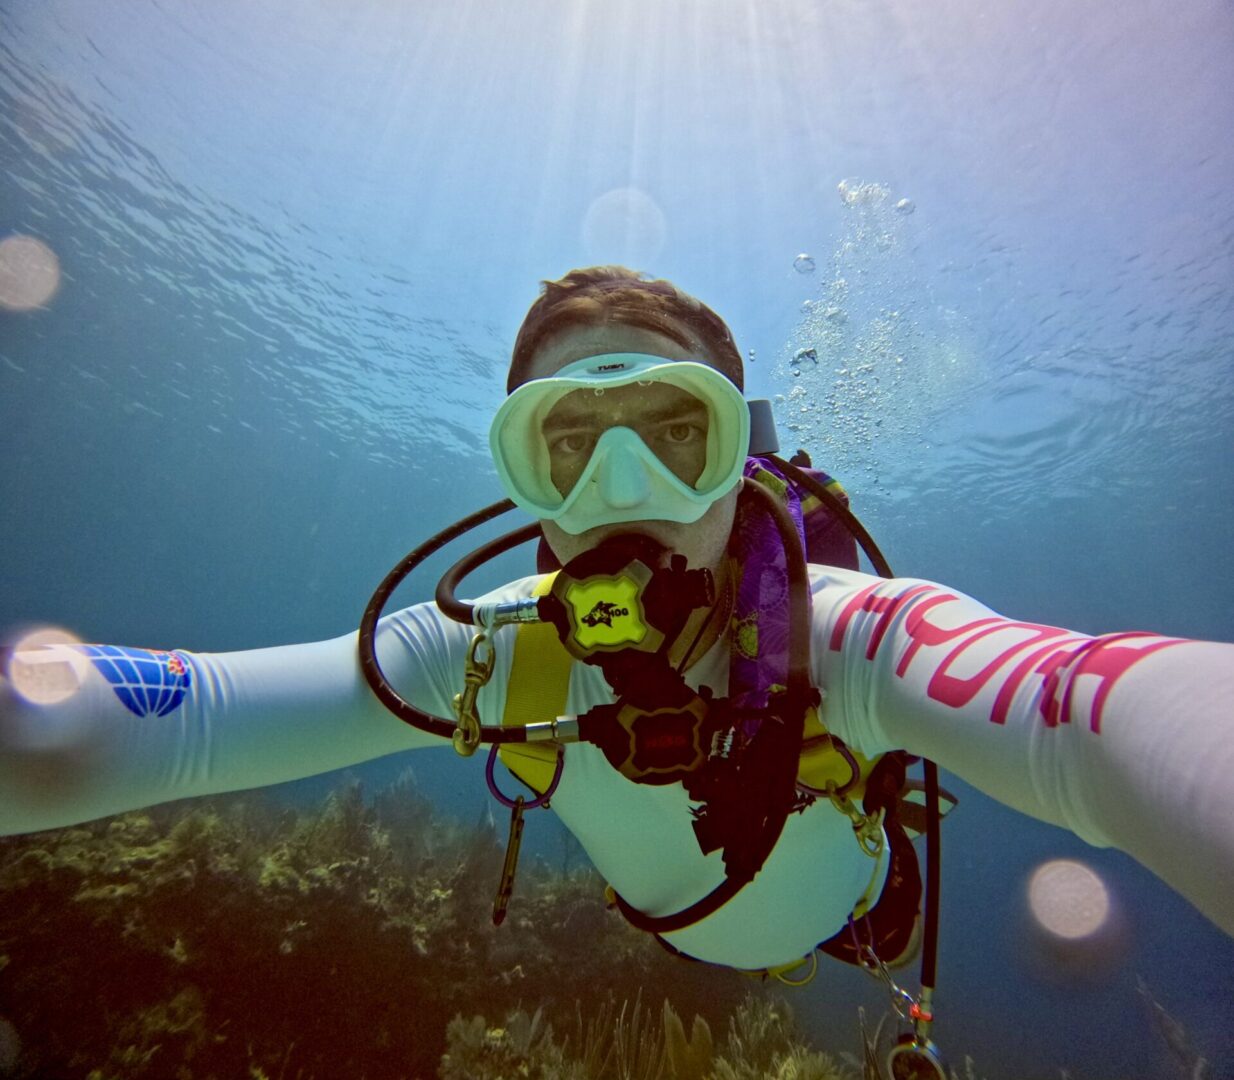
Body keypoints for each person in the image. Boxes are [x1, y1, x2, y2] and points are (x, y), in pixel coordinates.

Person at [2, 265, 1233, 986]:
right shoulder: (491, 647)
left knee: (875, 925)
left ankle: (876, 899)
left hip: (834, 903)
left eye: (672, 434)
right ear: (521, 473)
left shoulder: (844, 635)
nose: (624, 494)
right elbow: (185, 717)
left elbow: (1090, 705)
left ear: (739, 459)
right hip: (679, 923)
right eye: (572, 447)